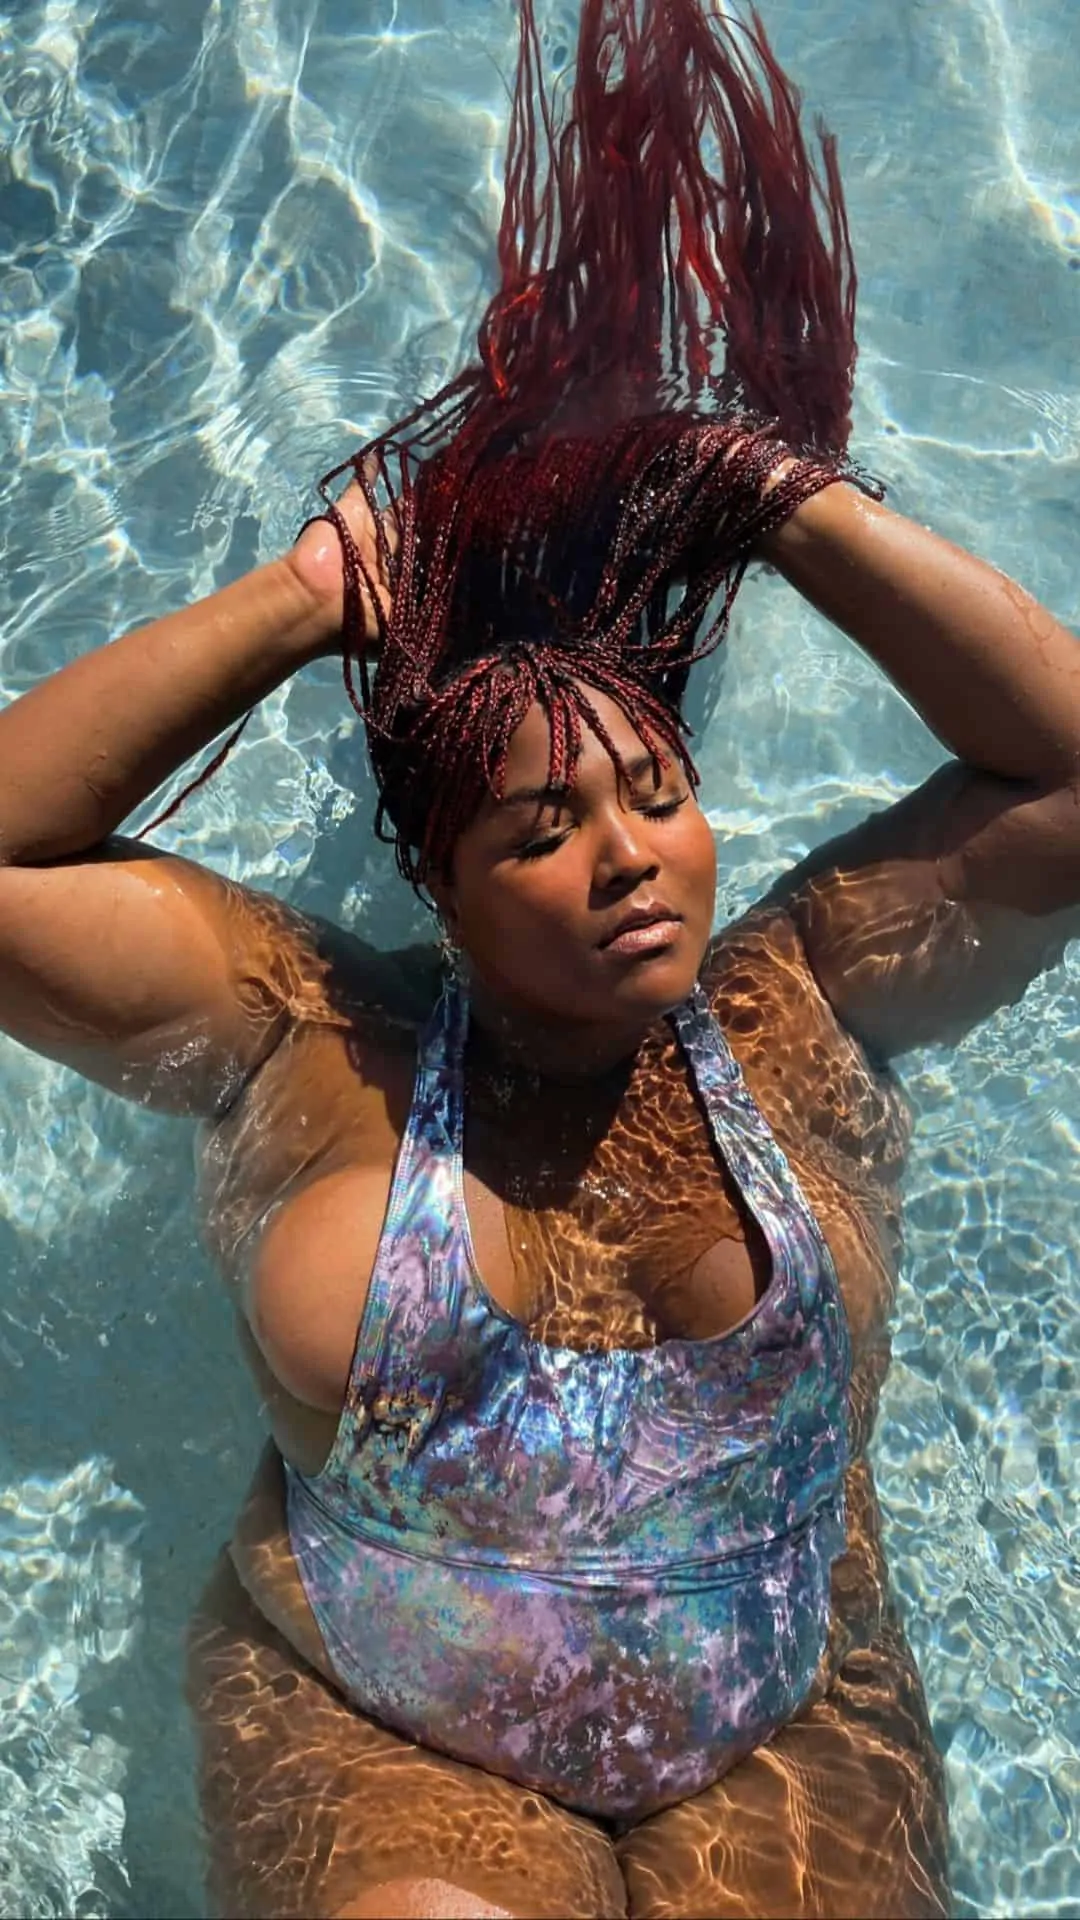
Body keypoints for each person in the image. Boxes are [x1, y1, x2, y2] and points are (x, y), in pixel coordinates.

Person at [1, 2, 1077, 1916]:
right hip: (375, 1731)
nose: (628, 858)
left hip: (783, 1717)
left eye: (658, 797)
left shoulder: (803, 1005)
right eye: (542, 829)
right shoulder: (310, 1038)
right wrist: (303, 601)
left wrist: (785, 502)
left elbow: (1065, 776)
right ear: (441, 877)